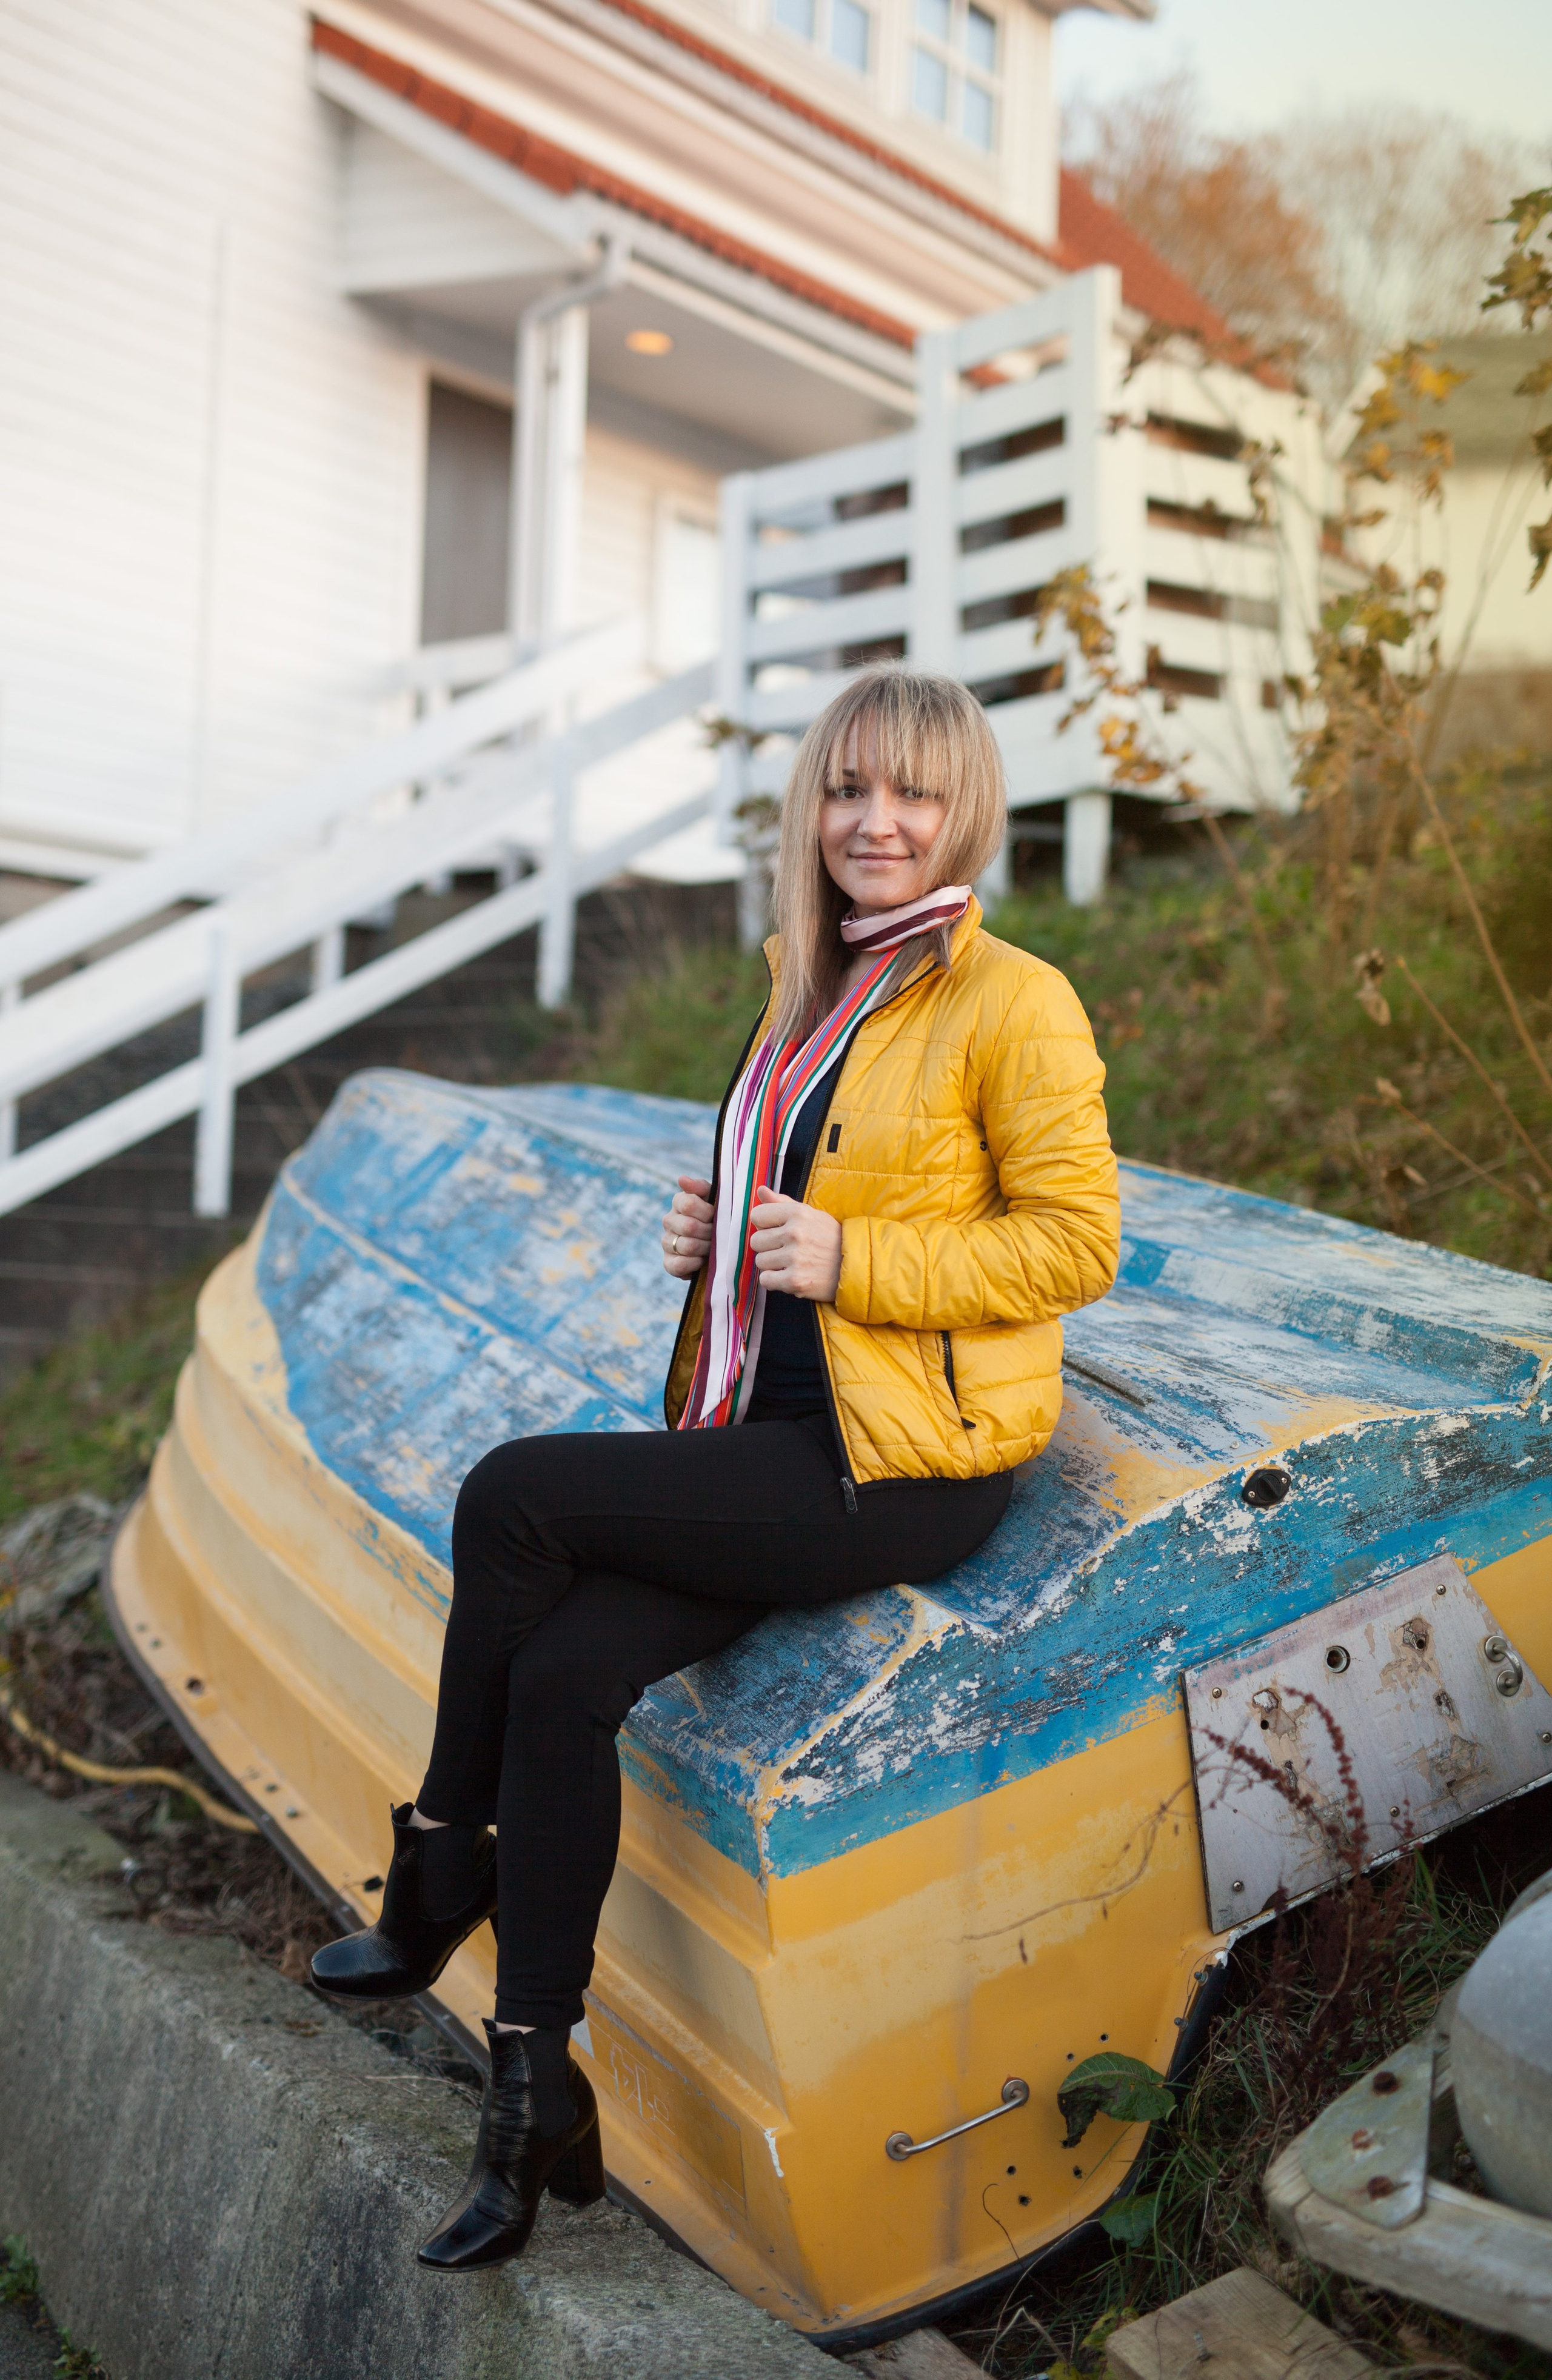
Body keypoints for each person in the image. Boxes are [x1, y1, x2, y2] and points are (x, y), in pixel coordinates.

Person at [309, 664, 1122, 2271]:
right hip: (772, 1433)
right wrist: (721, 1244)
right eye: (847, 790)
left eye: (913, 793)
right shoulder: (810, 991)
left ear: (966, 812)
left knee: (511, 1495)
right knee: (563, 1681)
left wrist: (849, 1253)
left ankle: (436, 1872)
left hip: (903, 1467)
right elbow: (790, 1222)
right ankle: (533, 2088)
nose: (876, 821)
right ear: (809, 810)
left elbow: (1075, 1242)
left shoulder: (1009, 1000)